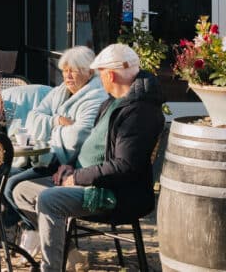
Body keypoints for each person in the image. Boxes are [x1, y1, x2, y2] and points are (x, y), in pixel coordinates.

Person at [11, 43, 164, 272]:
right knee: (20, 190)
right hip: (87, 179)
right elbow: (91, 146)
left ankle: (50, 268)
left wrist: (78, 177)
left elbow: (125, 166)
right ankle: (65, 251)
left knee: (48, 200)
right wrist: (68, 166)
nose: (99, 79)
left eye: (100, 74)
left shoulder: (139, 112)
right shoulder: (112, 102)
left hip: (113, 193)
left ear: (110, 75)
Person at [1, 46, 108, 226]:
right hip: (45, 158)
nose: (67, 76)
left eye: (72, 71)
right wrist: (56, 121)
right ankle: (2, 232)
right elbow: (32, 118)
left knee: (10, 184)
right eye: (65, 71)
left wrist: (47, 129)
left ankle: (31, 229)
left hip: (66, 164)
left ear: (89, 72)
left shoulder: (96, 96)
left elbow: (77, 137)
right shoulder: (60, 91)